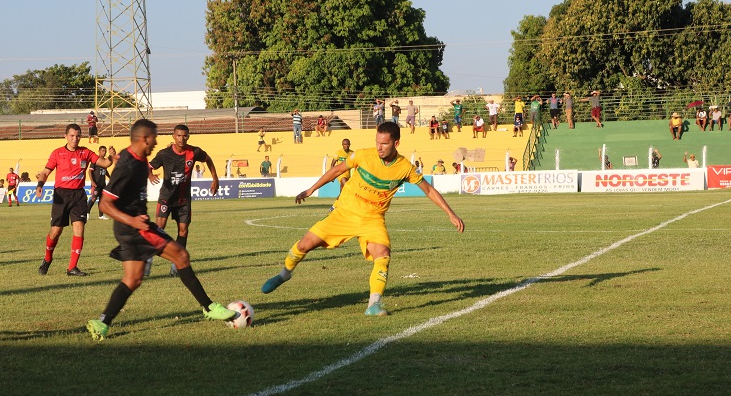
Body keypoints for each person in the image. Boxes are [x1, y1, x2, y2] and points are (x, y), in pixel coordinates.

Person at [259, 121, 464, 316]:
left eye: (384, 143)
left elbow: (428, 189)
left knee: (383, 255)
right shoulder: (364, 155)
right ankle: (284, 274)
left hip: (372, 219)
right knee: (303, 245)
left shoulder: (405, 167)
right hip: (344, 212)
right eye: (377, 142)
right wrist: (312, 189)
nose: (379, 147)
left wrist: (450, 213)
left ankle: (374, 304)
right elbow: (337, 170)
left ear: (396, 143)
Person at [85, 119, 236, 342]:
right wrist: (134, 221)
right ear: (144, 138)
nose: (156, 142)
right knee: (181, 255)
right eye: (154, 137)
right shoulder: (128, 164)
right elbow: (105, 204)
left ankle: (102, 323)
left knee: (132, 280)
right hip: (135, 227)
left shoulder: (137, 158)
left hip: (131, 227)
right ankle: (208, 306)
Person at [36, 124, 116, 276]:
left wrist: (111, 156)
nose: (75, 139)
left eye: (78, 136)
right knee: (55, 231)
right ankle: (47, 258)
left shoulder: (85, 152)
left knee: (79, 228)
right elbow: (46, 172)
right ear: (65, 136)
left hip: (78, 195)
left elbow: (105, 163)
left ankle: (72, 267)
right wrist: (40, 185)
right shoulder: (57, 153)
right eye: (72, 136)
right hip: (61, 195)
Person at [147, 124, 219, 278]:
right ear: (173, 136)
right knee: (159, 229)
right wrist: (151, 175)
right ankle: (147, 257)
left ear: (188, 136)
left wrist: (215, 179)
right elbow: (148, 166)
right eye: (179, 135)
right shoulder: (164, 154)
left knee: (183, 231)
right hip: (166, 197)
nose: (182, 138)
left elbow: (208, 159)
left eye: (184, 135)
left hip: (184, 200)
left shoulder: (194, 152)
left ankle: (177, 265)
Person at [87, 146, 111, 220]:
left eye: (105, 151)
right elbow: (90, 171)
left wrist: (110, 177)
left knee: (102, 200)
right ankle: (87, 213)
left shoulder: (104, 162)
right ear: (99, 151)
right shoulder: (95, 161)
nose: (104, 152)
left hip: (102, 184)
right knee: (93, 199)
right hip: (96, 183)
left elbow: (105, 171)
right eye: (103, 151)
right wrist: (92, 181)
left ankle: (101, 215)